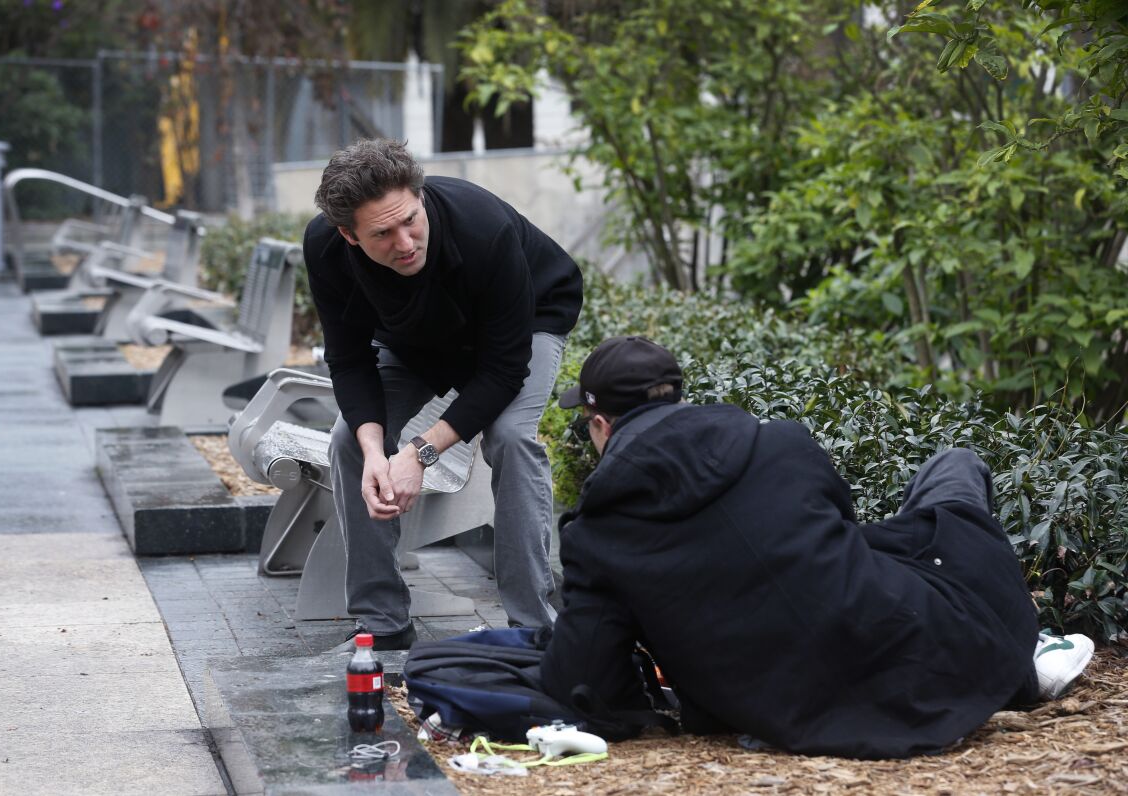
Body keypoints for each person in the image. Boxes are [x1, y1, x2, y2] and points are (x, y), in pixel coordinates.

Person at [540, 335, 1095, 759]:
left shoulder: (594, 534)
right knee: (955, 466)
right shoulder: (783, 444)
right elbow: (840, 536)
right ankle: (1026, 651)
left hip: (775, 710)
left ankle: (1023, 655)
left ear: (601, 426)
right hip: (919, 655)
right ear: (677, 399)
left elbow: (583, 676)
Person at [304, 139, 583, 649]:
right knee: (349, 440)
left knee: (511, 441)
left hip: (523, 325)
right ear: (348, 235)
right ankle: (383, 624)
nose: (405, 243)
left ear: (421, 197)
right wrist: (375, 453)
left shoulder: (483, 228)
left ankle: (534, 627)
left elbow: (501, 371)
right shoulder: (325, 248)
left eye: (411, 220)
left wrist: (420, 452)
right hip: (416, 338)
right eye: (382, 234)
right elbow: (348, 359)